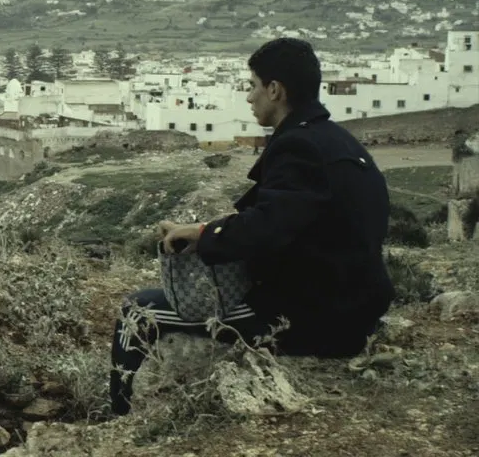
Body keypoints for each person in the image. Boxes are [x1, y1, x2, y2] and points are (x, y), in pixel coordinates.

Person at [109, 38, 394, 416]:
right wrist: (205, 230)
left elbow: (269, 227)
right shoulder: (334, 140)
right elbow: (292, 217)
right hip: (350, 306)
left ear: (275, 90)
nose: (248, 97)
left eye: (252, 85)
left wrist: (205, 236)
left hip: (308, 317)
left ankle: (118, 415)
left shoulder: (298, 146)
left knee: (136, 309)